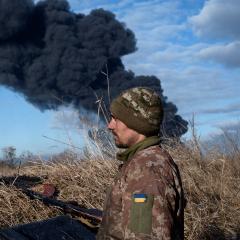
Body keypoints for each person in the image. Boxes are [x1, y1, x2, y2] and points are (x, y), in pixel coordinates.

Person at [96, 87, 185, 240]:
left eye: (115, 119)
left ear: (136, 124)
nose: (109, 125)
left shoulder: (148, 170)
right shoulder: (142, 161)